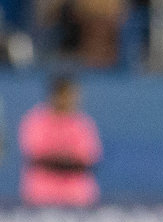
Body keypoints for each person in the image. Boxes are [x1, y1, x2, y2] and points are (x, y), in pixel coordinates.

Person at [18, 75, 101, 205]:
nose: (72, 100)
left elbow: (88, 159)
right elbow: (37, 156)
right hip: (42, 194)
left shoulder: (83, 123)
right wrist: (65, 158)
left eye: (74, 95)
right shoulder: (36, 120)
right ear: (55, 95)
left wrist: (62, 158)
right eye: (67, 95)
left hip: (77, 195)